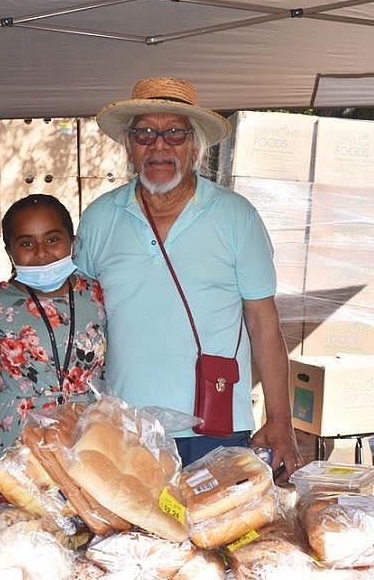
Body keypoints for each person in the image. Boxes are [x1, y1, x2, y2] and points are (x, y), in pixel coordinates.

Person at [73, 77, 301, 479]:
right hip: (125, 426)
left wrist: (280, 420)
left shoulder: (236, 216)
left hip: (215, 425)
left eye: (175, 133)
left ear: (195, 146)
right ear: (128, 145)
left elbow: (263, 322)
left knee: (216, 536)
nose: (159, 145)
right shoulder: (99, 218)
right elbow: (76, 318)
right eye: (145, 132)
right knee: (136, 540)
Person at [0, 194, 105, 509]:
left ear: (72, 242)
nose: (41, 253)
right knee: (13, 530)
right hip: (14, 438)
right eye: (26, 244)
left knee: (82, 526)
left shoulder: (96, 294)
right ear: (10, 252)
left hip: (85, 434)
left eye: (53, 239)